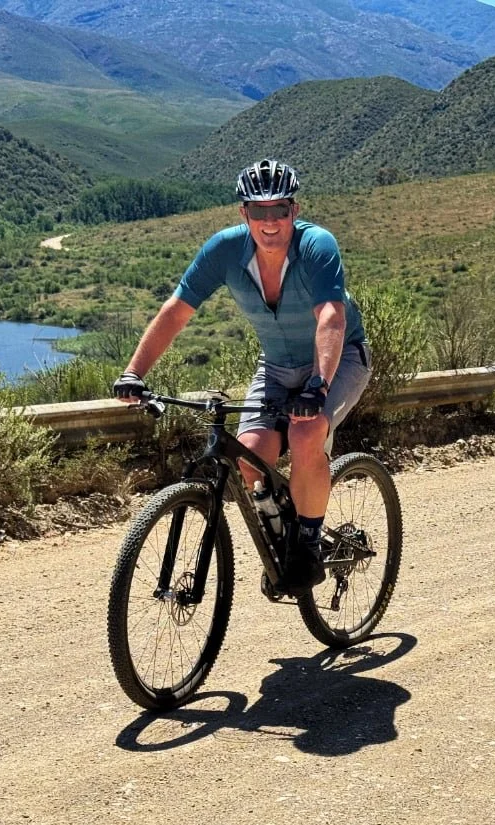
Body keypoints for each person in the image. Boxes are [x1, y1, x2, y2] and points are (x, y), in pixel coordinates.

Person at [113, 158, 372, 595]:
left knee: (307, 434)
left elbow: (330, 316)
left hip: (339, 359)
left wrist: (319, 387)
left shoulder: (316, 246)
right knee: (249, 456)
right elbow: (177, 311)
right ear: (243, 214)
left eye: (279, 210)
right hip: (275, 366)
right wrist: (134, 372)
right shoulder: (225, 251)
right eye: (258, 211)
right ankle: (280, 530)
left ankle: (307, 548)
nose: (269, 221)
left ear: (294, 210)